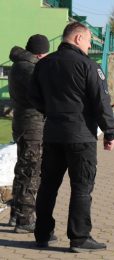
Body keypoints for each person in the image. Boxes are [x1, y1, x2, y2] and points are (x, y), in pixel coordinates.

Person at [29, 22, 114, 252]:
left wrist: (52, 112)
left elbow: (35, 98)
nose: (89, 46)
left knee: (48, 185)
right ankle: (79, 238)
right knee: (81, 187)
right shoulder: (88, 65)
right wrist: (110, 131)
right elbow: (101, 102)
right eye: (88, 41)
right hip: (81, 136)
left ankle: (42, 233)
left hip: (53, 134)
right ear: (78, 38)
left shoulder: (44, 64)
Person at [8, 34, 50, 233]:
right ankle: (25, 220)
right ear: (40, 53)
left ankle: (15, 214)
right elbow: (44, 93)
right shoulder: (30, 69)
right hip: (32, 126)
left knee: (22, 168)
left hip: (22, 124)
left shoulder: (19, 65)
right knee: (31, 171)